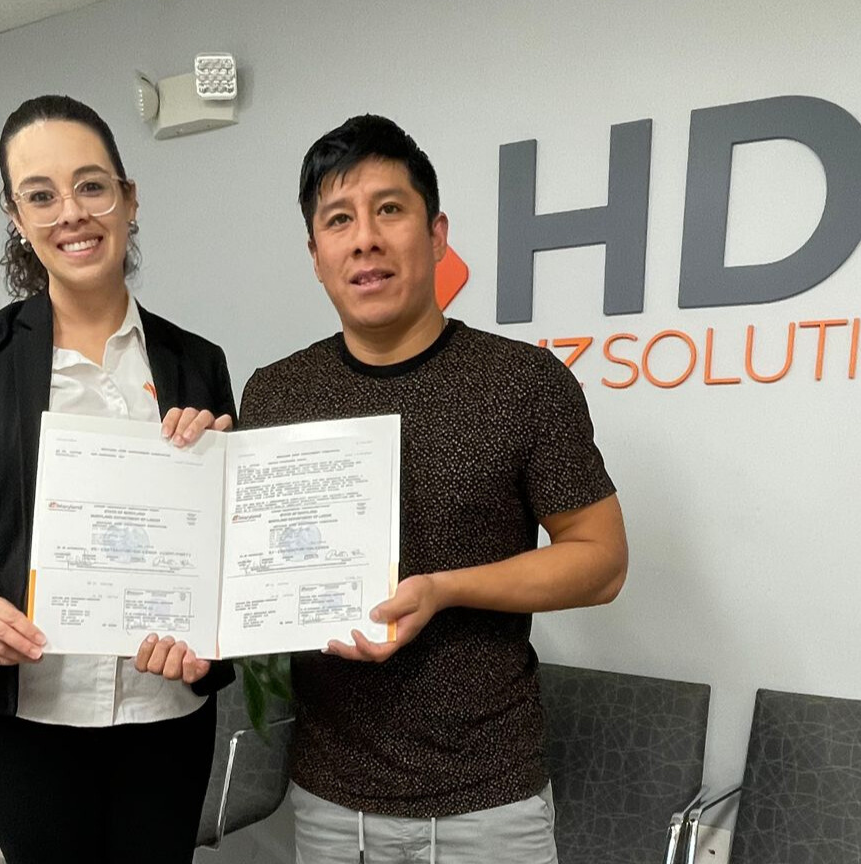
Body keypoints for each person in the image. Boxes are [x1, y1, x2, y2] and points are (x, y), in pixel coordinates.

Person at [238, 114, 629, 863]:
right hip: (330, 800)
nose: (365, 240)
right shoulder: (277, 394)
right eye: (338, 220)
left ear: (437, 233)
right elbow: (255, 570)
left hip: (489, 800)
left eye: (390, 210)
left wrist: (443, 589)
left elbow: (602, 562)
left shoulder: (523, 382)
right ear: (316, 255)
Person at [0, 94, 232, 864]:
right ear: (17, 217)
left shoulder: (197, 362)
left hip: (164, 708)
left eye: (91, 186)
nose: (71, 214)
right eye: (40, 195)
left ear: (128, 198)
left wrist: (211, 640)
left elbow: (223, 546)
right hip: (26, 711)